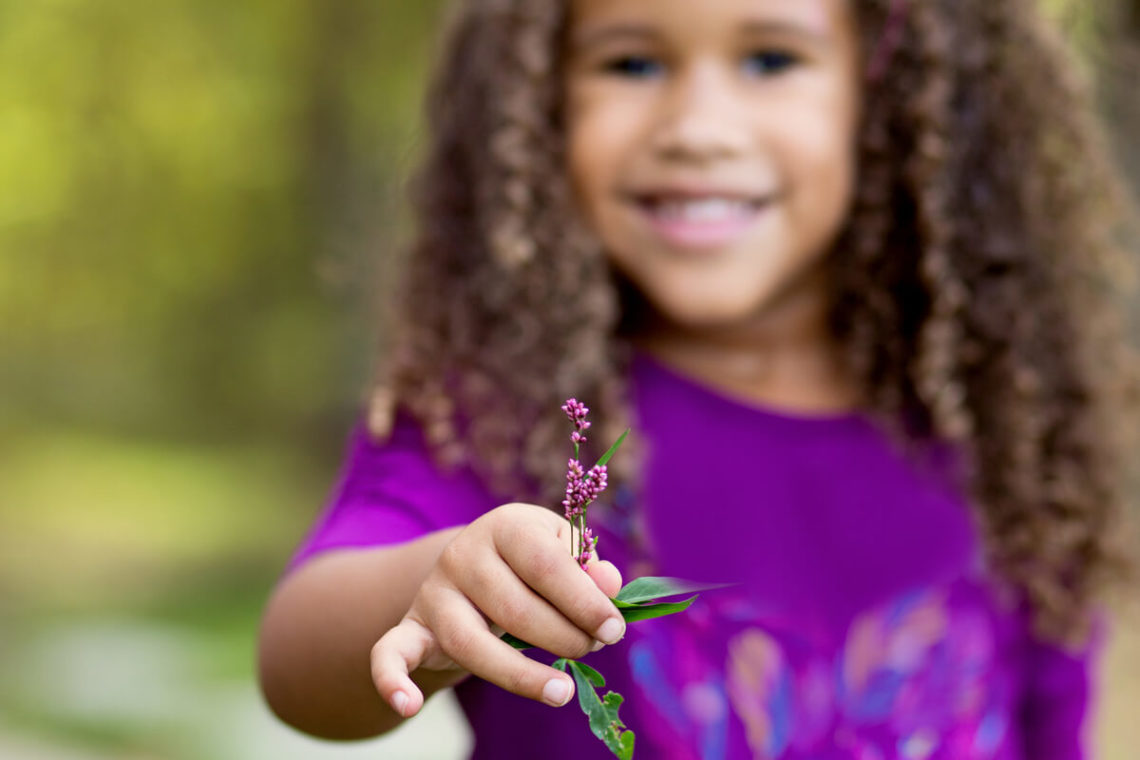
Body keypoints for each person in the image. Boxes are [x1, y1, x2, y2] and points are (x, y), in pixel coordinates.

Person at [258, 0, 1134, 757]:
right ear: (537, 102)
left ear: (888, 92)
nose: (697, 127)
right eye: (632, 62)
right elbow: (300, 659)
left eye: (770, 58)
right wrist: (435, 586)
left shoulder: (1004, 435)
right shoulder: (503, 413)